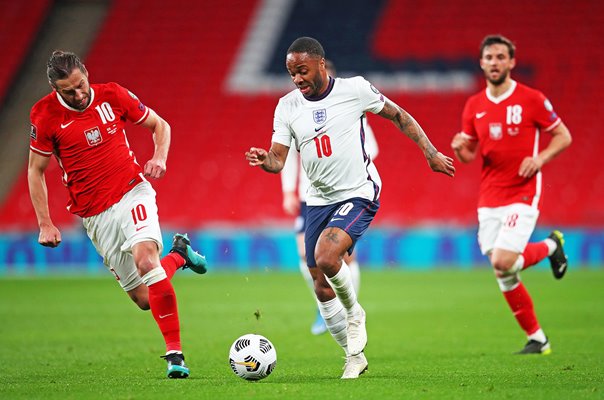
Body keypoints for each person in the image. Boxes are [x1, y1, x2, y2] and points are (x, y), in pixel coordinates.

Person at [246, 37, 455, 379]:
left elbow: (398, 116)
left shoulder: (354, 89)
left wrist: (430, 152)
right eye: (291, 72)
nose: (297, 78)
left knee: (328, 257)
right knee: (320, 285)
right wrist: (263, 159)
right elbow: (278, 160)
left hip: (359, 192)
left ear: (320, 65)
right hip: (316, 199)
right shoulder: (286, 107)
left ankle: (355, 312)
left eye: (302, 70)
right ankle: (353, 356)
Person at [28, 50, 208, 378]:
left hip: (131, 190)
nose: (79, 94)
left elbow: (159, 124)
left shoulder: (112, 94)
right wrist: (45, 222)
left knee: (146, 262)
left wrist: (160, 157)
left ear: (86, 74)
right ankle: (179, 255)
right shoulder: (44, 115)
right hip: (94, 215)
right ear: (56, 89)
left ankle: (175, 355)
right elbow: (35, 170)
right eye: (70, 91)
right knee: (144, 297)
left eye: (81, 85)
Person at [450, 35, 572, 355]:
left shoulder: (531, 99)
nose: (494, 62)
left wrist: (540, 158)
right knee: (501, 270)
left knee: (504, 261)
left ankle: (549, 246)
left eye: (501, 57)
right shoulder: (473, 105)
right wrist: (461, 149)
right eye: (489, 57)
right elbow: (469, 155)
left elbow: (563, 135)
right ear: (481, 62)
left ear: (511, 62)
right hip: (490, 195)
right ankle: (538, 339)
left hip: (523, 189)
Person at [281, 59, 379, 336]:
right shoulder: (296, 110)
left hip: (346, 193)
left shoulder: (350, 108)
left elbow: (370, 147)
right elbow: (286, 154)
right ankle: (323, 304)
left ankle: (350, 309)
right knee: (306, 254)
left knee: (343, 258)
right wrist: (288, 190)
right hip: (309, 195)